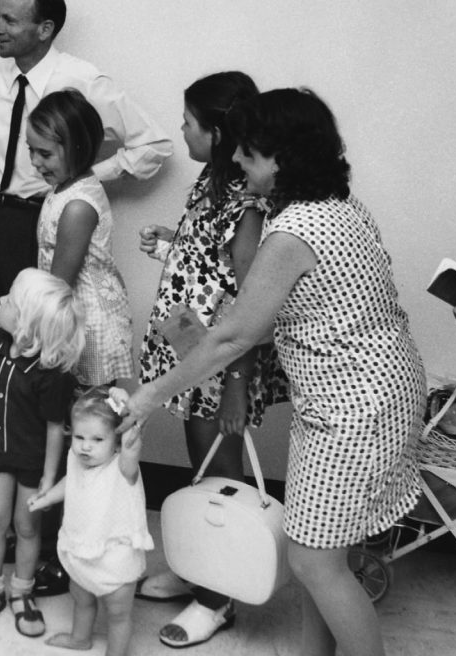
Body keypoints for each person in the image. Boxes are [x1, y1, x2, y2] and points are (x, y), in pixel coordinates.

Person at [124, 88, 425, 656]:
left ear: (283, 158)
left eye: (250, 154)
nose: (237, 161)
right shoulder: (341, 207)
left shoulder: (294, 232)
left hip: (357, 404)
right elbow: (286, 317)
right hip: (365, 392)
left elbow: (238, 334)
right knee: (319, 553)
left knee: (311, 558)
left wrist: (145, 398)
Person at [0, 0, 172, 527]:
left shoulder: (80, 80)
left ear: (44, 28)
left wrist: (80, 177)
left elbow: (153, 145)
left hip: (43, 225)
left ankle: (30, 488)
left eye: (9, 20)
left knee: (33, 356)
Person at [134, 72, 289, 647]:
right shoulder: (214, 178)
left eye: (189, 123)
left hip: (219, 364)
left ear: (218, 132)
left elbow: (253, 299)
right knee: (199, 468)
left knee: (218, 473)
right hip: (188, 350)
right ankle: (203, 565)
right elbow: (210, 255)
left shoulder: (250, 203)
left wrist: (236, 384)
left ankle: (216, 599)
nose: (181, 131)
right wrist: (173, 239)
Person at [0, 268, 83, 637]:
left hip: (32, 462)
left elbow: (53, 428)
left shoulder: (51, 373)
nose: (0, 301)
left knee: (27, 527)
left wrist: (49, 477)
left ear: (27, 324)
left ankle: (23, 593)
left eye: (9, 301)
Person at [28, 386, 152, 656]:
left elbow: (133, 435)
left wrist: (127, 408)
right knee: (81, 598)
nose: (85, 446)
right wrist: (47, 498)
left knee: (118, 614)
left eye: (97, 439)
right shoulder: (76, 457)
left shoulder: (123, 466)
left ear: (117, 441)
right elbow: (70, 482)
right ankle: (80, 638)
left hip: (114, 557)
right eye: (80, 436)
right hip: (80, 548)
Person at [28, 90, 135, 388]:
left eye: (45, 154)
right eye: (31, 150)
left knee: (90, 417)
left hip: (89, 325)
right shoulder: (61, 189)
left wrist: (28, 326)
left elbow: (59, 283)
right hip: (69, 316)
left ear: (77, 147)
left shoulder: (78, 206)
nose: (35, 162)